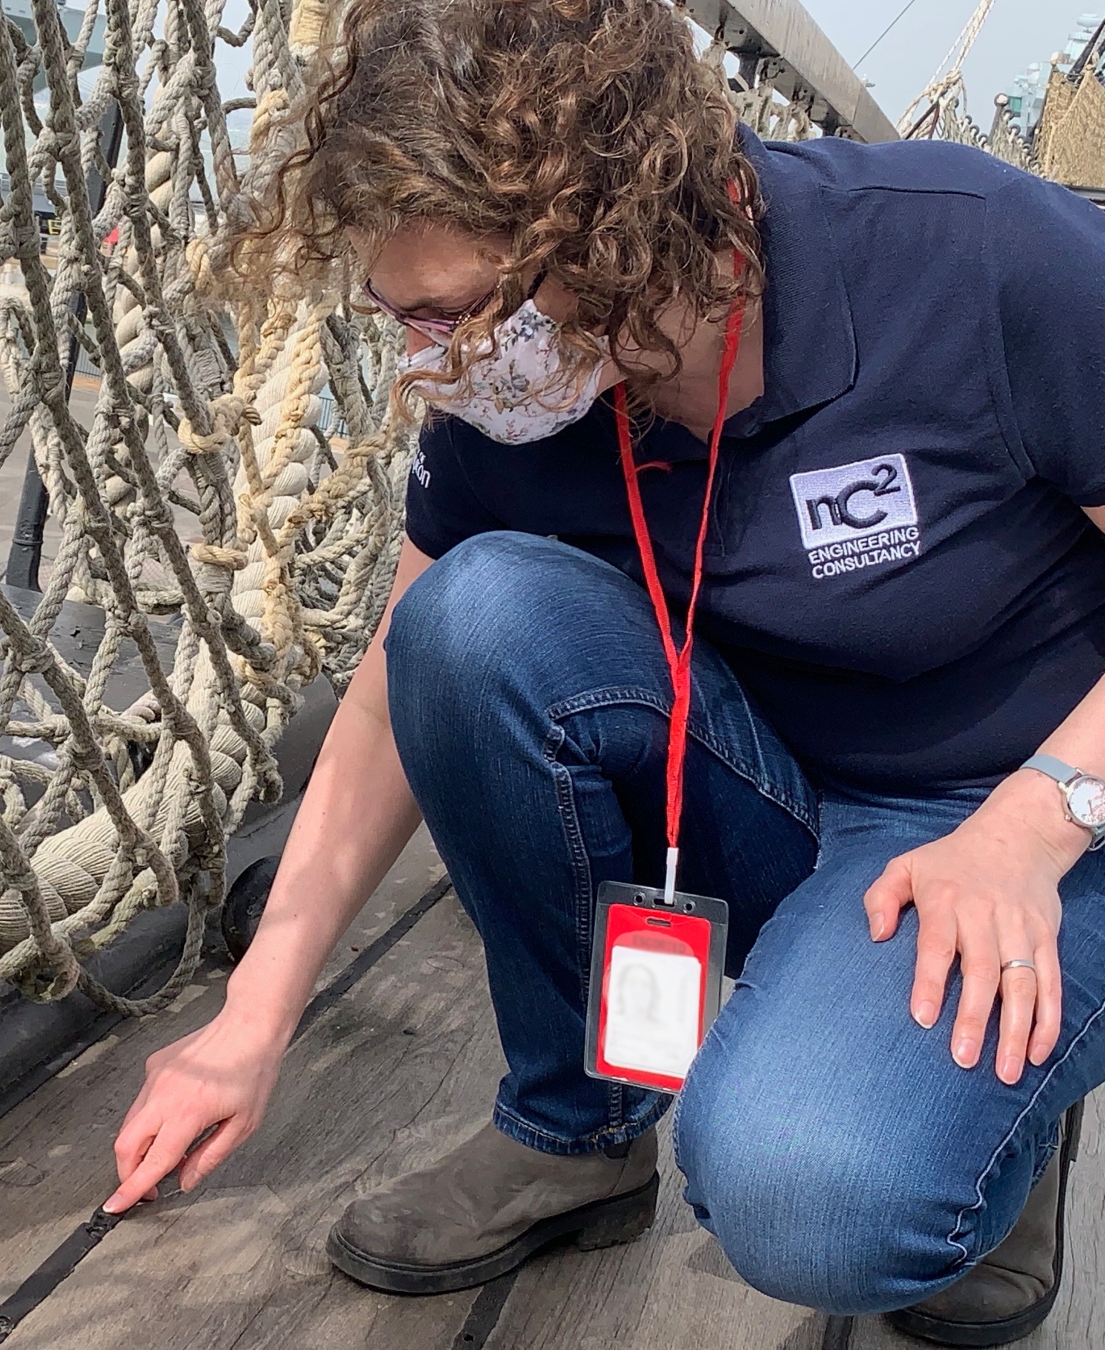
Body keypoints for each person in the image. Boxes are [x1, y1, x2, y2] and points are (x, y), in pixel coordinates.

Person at [103, 0, 1105, 1343]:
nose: (425, 365)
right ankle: (574, 1134)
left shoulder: (974, 253)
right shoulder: (522, 377)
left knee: (815, 1195)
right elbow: (408, 679)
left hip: (1036, 810)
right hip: (774, 785)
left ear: (614, 237)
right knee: (468, 622)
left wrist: (1036, 825)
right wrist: (251, 1013)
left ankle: (1009, 1119)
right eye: (399, 319)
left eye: (449, 313)